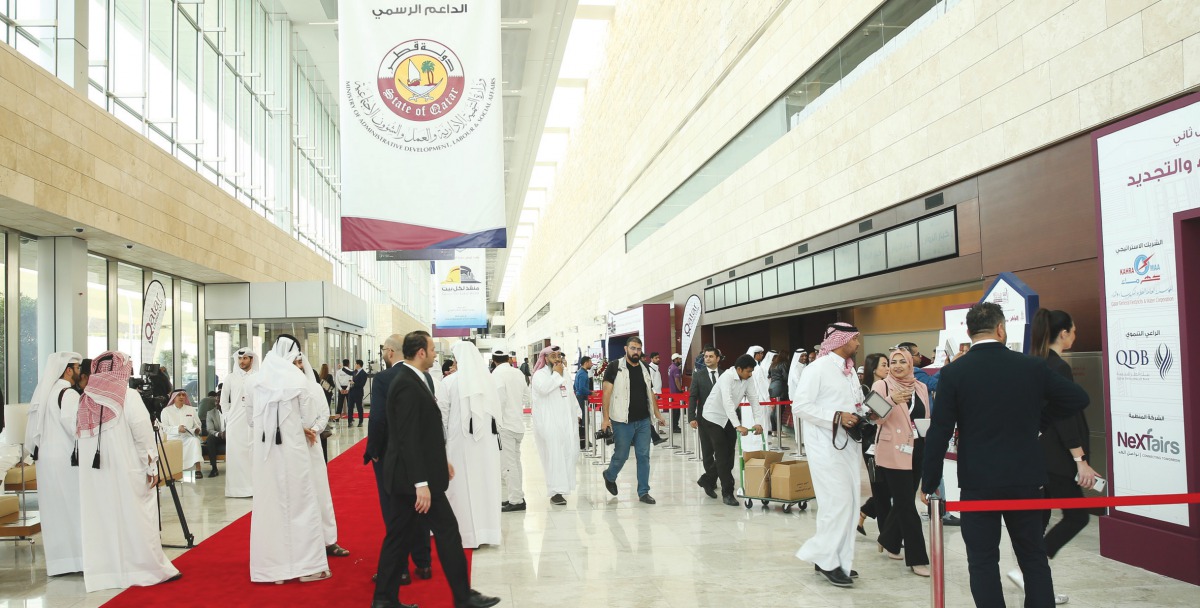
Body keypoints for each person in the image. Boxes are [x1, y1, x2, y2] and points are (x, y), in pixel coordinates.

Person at [921, 302, 1090, 608]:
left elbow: (939, 431)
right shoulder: (1031, 366)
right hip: (1025, 477)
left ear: (970, 333)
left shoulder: (955, 372)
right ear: (1001, 329)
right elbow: (1078, 398)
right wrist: (1041, 421)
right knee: (1033, 557)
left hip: (978, 480)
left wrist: (929, 480)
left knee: (983, 561)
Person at [372, 330, 500, 608]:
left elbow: (424, 431)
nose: (434, 354)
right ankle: (462, 597)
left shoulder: (419, 378)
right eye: (431, 349)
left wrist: (440, 461)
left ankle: (384, 599)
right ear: (421, 353)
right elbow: (406, 437)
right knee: (445, 531)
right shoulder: (406, 382)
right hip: (411, 480)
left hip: (414, 475)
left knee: (400, 536)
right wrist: (421, 483)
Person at [1008, 309, 1095, 605]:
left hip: (1038, 456)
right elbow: (1065, 418)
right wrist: (1079, 458)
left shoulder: (1035, 364)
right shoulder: (1057, 368)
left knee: (1040, 518)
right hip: (1056, 458)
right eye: (1073, 331)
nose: (1075, 336)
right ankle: (1027, 572)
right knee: (1076, 517)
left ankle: (1034, 582)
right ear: (1063, 334)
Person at [73, 351, 180, 591]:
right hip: (127, 469)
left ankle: (106, 573)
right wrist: (152, 465)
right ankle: (147, 569)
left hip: (95, 476)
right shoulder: (128, 395)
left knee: (103, 519)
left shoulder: (85, 397)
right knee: (138, 516)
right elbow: (142, 432)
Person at [248, 335, 333, 584]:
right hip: (293, 450)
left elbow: (251, 420)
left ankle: (273, 570)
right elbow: (308, 417)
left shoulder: (257, 381)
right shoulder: (297, 379)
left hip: (265, 455)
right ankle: (306, 567)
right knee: (301, 504)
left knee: (270, 506)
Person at [792, 323, 866, 588]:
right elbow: (800, 406)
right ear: (839, 340)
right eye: (855, 339)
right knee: (838, 501)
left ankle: (834, 558)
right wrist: (836, 417)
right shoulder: (817, 369)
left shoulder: (848, 372)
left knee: (848, 502)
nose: (858, 344)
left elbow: (854, 403)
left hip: (848, 445)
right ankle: (826, 560)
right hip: (825, 447)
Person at [366, 335, 432, 586]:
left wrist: (373, 449)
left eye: (384, 349)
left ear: (391, 352)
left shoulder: (384, 379)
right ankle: (424, 563)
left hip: (391, 455)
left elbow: (379, 418)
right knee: (419, 507)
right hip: (419, 454)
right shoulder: (423, 377)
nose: (383, 352)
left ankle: (401, 569)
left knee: (394, 510)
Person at [870, 349, 931, 577]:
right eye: (892, 362)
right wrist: (891, 401)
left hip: (917, 449)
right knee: (907, 505)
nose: (896, 366)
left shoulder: (921, 387)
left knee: (904, 501)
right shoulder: (882, 387)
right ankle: (917, 558)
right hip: (893, 451)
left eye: (901, 362)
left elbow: (925, 416)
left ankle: (889, 540)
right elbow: (874, 417)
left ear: (910, 364)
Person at [26, 351, 84, 576]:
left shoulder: (46, 393)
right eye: (77, 368)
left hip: (47, 460)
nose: (80, 372)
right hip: (66, 459)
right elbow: (74, 426)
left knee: (54, 510)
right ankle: (79, 560)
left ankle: (60, 563)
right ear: (68, 370)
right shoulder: (67, 394)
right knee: (72, 507)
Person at [442, 342, 502, 548]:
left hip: (459, 443)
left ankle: (465, 534)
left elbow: (441, 415)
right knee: (485, 481)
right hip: (487, 445)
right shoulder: (488, 381)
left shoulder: (449, 382)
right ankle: (488, 532)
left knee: (461, 486)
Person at [600, 336, 666, 504]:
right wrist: (605, 419)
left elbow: (650, 392)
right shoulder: (615, 367)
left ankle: (643, 492)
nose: (636, 352)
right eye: (633, 348)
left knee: (644, 455)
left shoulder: (644, 367)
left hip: (644, 420)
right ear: (626, 349)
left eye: (638, 349)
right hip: (622, 421)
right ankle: (610, 475)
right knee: (621, 455)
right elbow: (606, 393)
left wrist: (657, 413)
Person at [701, 354, 764, 506]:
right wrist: (737, 425)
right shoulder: (727, 377)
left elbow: (754, 399)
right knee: (722, 455)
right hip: (712, 417)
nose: (750, 374)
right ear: (739, 369)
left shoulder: (747, 379)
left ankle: (707, 479)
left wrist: (758, 422)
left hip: (728, 418)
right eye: (748, 371)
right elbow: (727, 402)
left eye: (751, 372)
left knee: (729, 455)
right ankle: (727, 493)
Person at [531, 346, 580, 506]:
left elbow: (570, 394)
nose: (557, 359)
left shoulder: (564, 373)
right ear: (545, 359)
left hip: (566, 422)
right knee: (554, 456)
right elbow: (545, 389)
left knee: (568, 454)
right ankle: (555, 491)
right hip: (549, 424)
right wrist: (558, 374)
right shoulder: (539, 375)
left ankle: (563, 488)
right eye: (553, 356)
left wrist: (578, 412)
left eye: (558, 355)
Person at [857, 352, 892, 536]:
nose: (888, 368)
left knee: (888, 489)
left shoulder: (887, 387)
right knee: (881, 489)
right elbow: (884, 412)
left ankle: (865, 513)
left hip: (888, 442)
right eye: (884, 365)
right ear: (874, 368)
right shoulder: (865, 389)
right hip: (871, 445)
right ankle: (885, 535)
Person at [493, 348, 530, 513]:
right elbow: (527, 397)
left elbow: (499, 399)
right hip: (518, 425)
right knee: (516, 462)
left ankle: (516, 500)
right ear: (508, 358)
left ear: (493, 360)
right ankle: (517, 495)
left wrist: (496, 420)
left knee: (508, 464)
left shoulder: (496, 375)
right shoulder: (517, 373)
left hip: (505, 426)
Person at [222, 347, 260, 498]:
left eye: (245, 358)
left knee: (253, 455)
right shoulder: (231, 378)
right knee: (236, 456)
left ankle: (254, 489)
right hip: (235, 423)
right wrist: (227, 417)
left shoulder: (259, 376)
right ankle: (236, 490)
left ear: (251, 359)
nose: (241, 361)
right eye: (239, 359)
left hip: (254, 421)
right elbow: (224, 400)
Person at [689, 347, 722, 499]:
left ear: (718, 358)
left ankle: (710, 477)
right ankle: (711, 480)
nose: (707, 359)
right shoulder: (698, 375)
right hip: (704, 419)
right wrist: (691, 417)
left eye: (710, 356)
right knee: (708, 451)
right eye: (705, 356)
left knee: (723, 451)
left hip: (723, 419)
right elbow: (693, 396)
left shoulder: (725, 374)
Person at [160, 390, 204, 477]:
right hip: (172, 438)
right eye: (179, 395)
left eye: (183, 395)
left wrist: (197, 429)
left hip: (187, 437)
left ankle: (198, 470)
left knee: (195, 441)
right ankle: (173, 472)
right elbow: (164, 428)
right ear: (173, 398)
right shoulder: (166, 411)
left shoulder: (191, 409)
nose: (181, 397)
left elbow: (197, 424)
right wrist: (177, 429)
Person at [748, 347, 775, 436]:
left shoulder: (746, 367)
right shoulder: (757, 368)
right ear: (756, 354)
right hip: (759, 400)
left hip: (748, 401)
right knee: (761, 424)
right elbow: (763, 387)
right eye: (761, 353)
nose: (762, 355)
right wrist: (768, 401)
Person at [645, 352, 666, 446]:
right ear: (652, 359)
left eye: (659, 357)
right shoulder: (650, 368)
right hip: (653, 394)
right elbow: (650, 383)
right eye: (656, 358)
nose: (658, 359)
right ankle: (654, 434)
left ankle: (656, 432)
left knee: (655, 413)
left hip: (657, 394)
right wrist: (654, 393)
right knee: (651, 413)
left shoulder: (656, 368)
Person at [573, 357, 594, 450]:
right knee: (584, 420)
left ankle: (584, 440)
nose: (591, 364)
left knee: (583, 420)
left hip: (580, 397)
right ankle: (583, 441)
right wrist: (591, 392)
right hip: (582, 398)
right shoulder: (583, 374)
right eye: (590, 362)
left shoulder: (580, 373)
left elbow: (575, 386)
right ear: (586, 363)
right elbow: (581, 388)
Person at [205, 399, 226, 478]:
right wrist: (219, 434)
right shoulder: (211, 413)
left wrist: (228, 433)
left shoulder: (232, 411)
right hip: (218, 436)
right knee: (210, 438)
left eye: (220, 401)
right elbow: (210, 429)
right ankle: (214, 468)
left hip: (231, 435)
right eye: (216, 401)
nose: (217, 403)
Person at [347, 359, 367, 427]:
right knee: (350, 407)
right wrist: (342, 368)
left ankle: (360, 421)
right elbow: (349, 372)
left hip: (358, 393)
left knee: (359, 407)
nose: (355, 365)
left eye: (355, 364)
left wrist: (354, 383)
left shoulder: (364, 373)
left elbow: (362, 384)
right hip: (351, 392)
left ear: (358, 365)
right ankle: (349, 422)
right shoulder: (355, 372)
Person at [667, 353, 683, 431]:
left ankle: (673, 425)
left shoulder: (670, 367)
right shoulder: (676, 368)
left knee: (674, 410)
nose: (680, 360)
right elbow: (677, 380)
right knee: (677, 411)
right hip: (676, 392)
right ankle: (675, 426)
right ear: (675, 359)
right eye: (679, 359)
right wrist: (680, 390)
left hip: (672, 391)